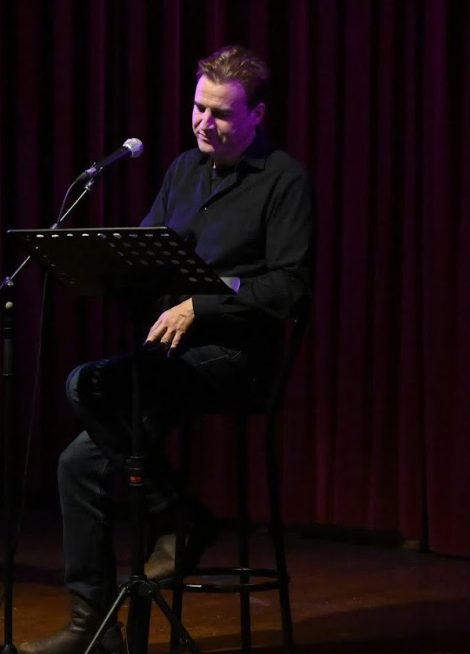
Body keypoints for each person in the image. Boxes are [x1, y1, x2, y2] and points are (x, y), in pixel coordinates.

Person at [18, 45, 313, 654]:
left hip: (238, 359)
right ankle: (95, 626)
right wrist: (103, 270)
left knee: (85, 384)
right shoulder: (182, 168)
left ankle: (183, 517)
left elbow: (287, 287)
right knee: (77, 460)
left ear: (256, 115)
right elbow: (152, 252)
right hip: (175, 359)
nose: (205, 122)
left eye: (222, 114)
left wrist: (201, 304)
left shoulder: (284, 179)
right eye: (199, 108)